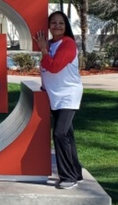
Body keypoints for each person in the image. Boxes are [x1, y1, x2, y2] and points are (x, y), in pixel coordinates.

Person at [34, 10, 84, 189]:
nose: (57, 26)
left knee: (60, 133)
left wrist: (42, 50)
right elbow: (46, 69)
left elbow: (54, 67)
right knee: (67, 134)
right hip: (54, 95)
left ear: (66, 25)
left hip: (68, 95)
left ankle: (68, 178)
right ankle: (76, 172)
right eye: (53, 22)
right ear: (48, 25)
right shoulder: (49, 44)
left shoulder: (68, 44)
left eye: (61, 23)